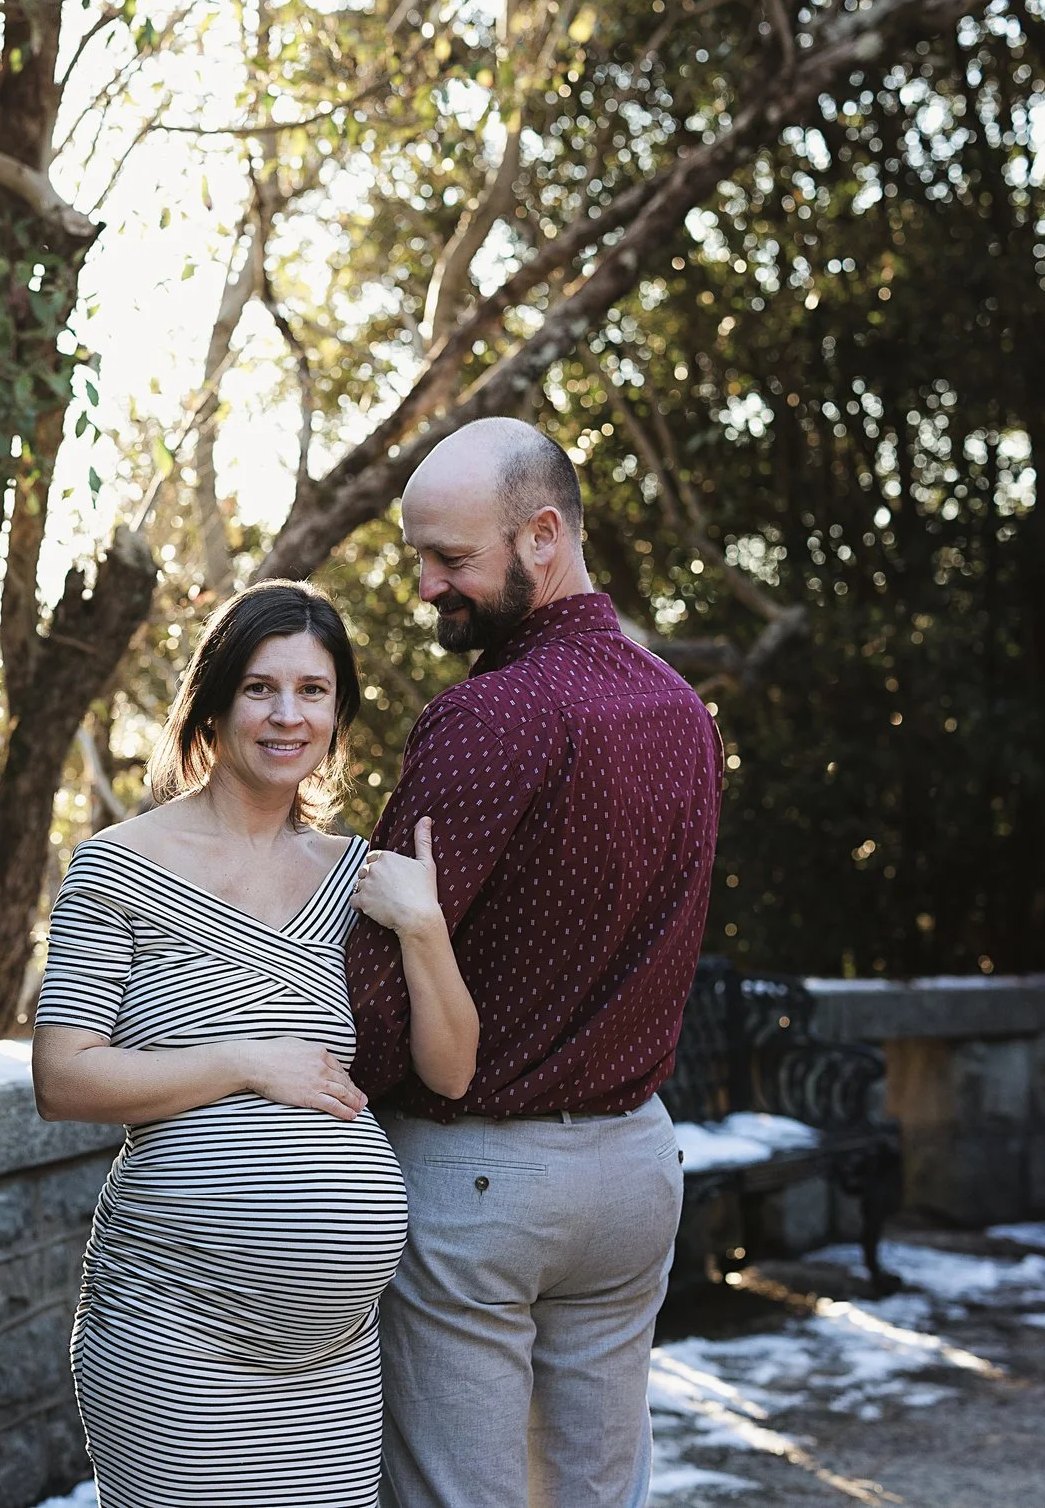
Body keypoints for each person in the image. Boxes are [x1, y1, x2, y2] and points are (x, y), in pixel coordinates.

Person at [31, 580, 481, 1508]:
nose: (287, 715)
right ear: (214, 699)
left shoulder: (361, 875)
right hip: (174, 1328)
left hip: (334, 1354)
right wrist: (246, 1059)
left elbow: (451, 1068)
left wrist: (426, 927)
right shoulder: (119, 863)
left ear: (339, 710)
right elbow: (62, 1077)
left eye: (313, 691)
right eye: (260, 688)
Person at [345, 416, 722, 1508]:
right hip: (634, 1172)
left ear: (542, 534)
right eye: (418, 554)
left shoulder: (486, 714)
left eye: (450, 558)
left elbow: (375, 980)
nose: (424, 585)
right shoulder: (679, 707)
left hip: (478, 1182)